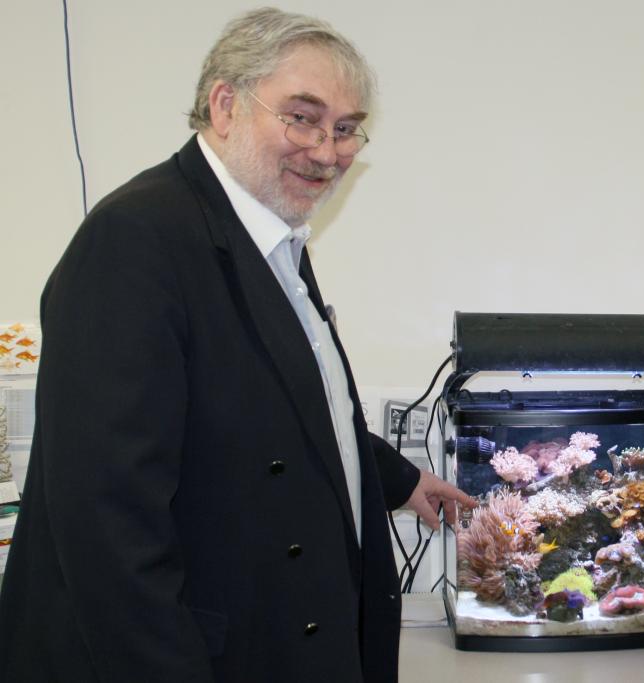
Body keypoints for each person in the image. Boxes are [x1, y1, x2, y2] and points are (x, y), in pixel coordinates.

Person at [0, 8, 473, 683]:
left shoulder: (269, 235)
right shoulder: (135, 241)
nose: (328, 149)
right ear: (225, 105)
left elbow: (276, 410)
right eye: (302, 117)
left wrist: (399, 478)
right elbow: (108, 527)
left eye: (345, 129)